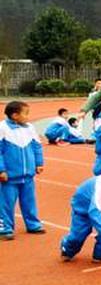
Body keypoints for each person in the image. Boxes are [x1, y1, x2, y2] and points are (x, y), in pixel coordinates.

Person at [0, 101, 45, 239]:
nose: (28, 116)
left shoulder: (29, 128)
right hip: (10, 176)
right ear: (15, 115)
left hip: (28, 175)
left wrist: (39, 162)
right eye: (25, 113)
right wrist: (1, 170)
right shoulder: (2, 128)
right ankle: (5, 228)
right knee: (6, 203)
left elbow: (37, 146)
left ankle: (33, 224)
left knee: (29, 201)